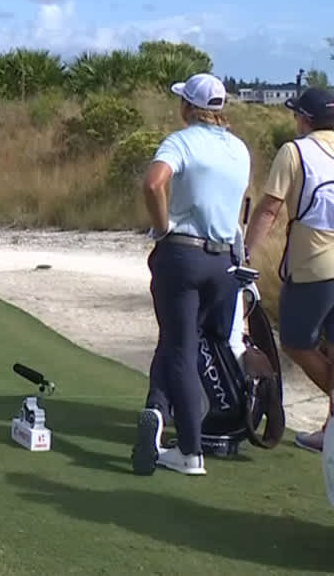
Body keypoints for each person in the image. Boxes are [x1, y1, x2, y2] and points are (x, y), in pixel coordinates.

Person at [132, 73, 252, 476]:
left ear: (188, 107)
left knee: (180, 348)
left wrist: (163, 227)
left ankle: (189, 451)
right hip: (224, 263)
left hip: (183, 255)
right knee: (181, 343)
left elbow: (153, 184)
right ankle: (156, 407)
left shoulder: (181, 141)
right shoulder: (239, 149)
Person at [242, 86, 334, 454]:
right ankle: (330, 433)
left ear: (305, 119)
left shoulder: (295, 151)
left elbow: (268, 210)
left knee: (296, 341)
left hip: (313, 265)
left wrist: (245, 253)